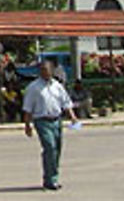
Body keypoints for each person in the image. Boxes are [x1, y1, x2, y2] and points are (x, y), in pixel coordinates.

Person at [23, 60, 79, 191]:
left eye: (47, 69)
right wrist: (27, 125)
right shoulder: (33, 87)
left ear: (52, 71)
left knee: (56, 149)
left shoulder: (57, 86)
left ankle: (53, 176)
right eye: (42, 69)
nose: (45, 72)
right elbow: (27, 109)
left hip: (56, 120)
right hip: (42, 121)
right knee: (50, 147)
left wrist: (73, 117)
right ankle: (49, 180)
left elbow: (66, 103)